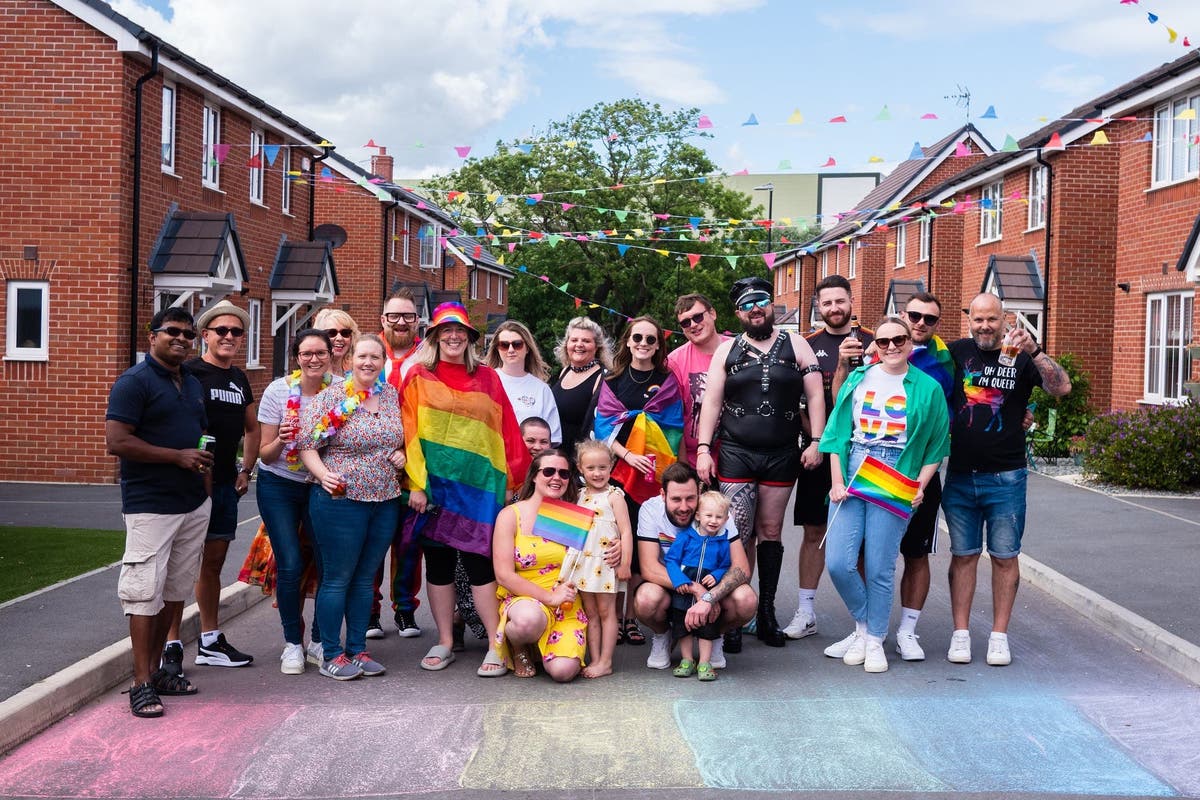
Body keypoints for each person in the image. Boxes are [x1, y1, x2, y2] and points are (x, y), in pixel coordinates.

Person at [696, 276, 825, 650]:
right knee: (739, 530)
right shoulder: (727, 350)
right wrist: (704, 448)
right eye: (748, 304)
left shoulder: (797, 344)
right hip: (736, 451)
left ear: (771, 307)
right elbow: (712, 403)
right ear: (738, 313)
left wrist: (816, 440)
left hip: (782, 453)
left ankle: (765, 611)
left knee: (770, 530)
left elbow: (815, 397)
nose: (756, 308)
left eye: (762, 301)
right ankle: (738, 613)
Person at [402, 302, 529, 676]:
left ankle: (495, 642)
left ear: (471, 338)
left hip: (479, 488)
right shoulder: (417, 377)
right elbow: (410, 433)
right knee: (438, 566)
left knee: (480, 564)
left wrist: (512, 481)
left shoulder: (488, 377)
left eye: (460, 331)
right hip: (435, 488)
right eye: (446, 330)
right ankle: (444, 640)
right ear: (435, 336)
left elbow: (506, 430)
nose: (454, 336)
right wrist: (417, 483)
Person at [944, 293, 1071, 667]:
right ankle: (961, 634)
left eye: (992, 319)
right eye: (978, 319)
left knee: (1004, 557)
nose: (985, 326)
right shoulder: (955, 353)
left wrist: (1035, 350)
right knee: (963, 555)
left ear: (1005, 320)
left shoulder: (1023, 356)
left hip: (1007, 476)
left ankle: (999, 636)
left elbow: (1060, 387)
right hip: (961, 474)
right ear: (969, 320)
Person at [819, 316, 949, 673]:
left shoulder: (927, 387)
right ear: (874, 344)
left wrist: (918, 488)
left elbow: (935, 447)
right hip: (855, 466)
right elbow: (836, 434)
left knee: (879, 565)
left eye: (899, 340)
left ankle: (874, 639)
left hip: (897, 472)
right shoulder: (859, 379)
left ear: (910, 343)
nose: (891, 346)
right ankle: (863, 625)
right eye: (884, 341)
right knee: (839, 562)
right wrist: (835, 481)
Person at [106, 307, 213, 717]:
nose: (183, 339)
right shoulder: (134, 382)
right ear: (152, 335)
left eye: (189, 334)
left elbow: (203, 436)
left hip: (192, 503)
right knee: (143, 592)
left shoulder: (190, 382)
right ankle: (140, 683)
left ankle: (157, 671)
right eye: (173, 332)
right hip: (151, 505)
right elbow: (116, 442)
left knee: (174, 591)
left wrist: (206, 490)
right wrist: (176, 457)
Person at [298, 334, 405, 681]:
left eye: (376, 357)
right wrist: (323, 474)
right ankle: (331, 652)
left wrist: (402, 454)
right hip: (340, 500)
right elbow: (307, 444)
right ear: (350, 360)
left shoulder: (390, 396)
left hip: (385, 499)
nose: (368, 363)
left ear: (383, 363)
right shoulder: (332, 396)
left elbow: (401, 437)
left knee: (364, 580)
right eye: (362, 356)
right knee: (337, 578)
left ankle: (357, 649)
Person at [163, 300, 259, 674]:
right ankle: (170, 644)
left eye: (236, 332)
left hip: (223, 484)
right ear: (205, 335)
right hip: (188, 485)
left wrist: (246, 469)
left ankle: (209, 640)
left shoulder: (238, 378)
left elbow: (252, 429)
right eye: (222, 330)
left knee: (213, 565)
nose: (230, 337)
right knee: (179, 567)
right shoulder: (187, 373)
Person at [783, 275, 875, 642]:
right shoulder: (806, 345)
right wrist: (813, 439)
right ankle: (806, 612)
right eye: (827, 303)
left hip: (867, 453)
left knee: (865, 539)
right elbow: (797, 399)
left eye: (840, 301)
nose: (834, 308)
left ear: (851, 301)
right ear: (817, 307)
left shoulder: (874, 340)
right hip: (820, 450)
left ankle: (867, 621)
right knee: (814, 531)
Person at [593, 315, 683, 647]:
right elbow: (603, 426)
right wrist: (628, 456)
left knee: (645, 544)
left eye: (650, 340)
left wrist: (658, 464)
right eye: (637, 338)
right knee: (618, 545)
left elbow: (674, 428)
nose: (643, 344)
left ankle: (632, 618)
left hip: (654, 475)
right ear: (628, 342)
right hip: (619, 473)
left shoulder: (668, 381)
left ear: (659, 345)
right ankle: (614, 617)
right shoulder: (612, 380)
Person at [253, 329, 338, 674]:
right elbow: (265, 453)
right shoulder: (278, 391)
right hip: (279, 484)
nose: (314, 359)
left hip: (318, 485)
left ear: (330, 355)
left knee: (326, 563)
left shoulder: (340, 391)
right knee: (289, 563)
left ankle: (319, 640)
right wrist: (283, 440)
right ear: (296, 358)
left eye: (320, 352)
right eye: (306, 354)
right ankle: (292, 644)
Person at [634, 463, 757, 671]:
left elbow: (741, 568)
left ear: (700, 492)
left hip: (712, 584)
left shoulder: (716, 512)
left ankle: (714, 634)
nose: (683, 507)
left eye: (690, 498)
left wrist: (711, 597)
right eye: (676, 499)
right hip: (672, 584)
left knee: (746, 600)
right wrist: (696, 589)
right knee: (646, 599)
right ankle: (664, 634)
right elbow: (649, 568)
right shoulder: (650, 509)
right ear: (663, 495)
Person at [492, 449, 588, 682]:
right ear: (534, 476)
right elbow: (504, 575)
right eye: (549, 471)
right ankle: (520, 646)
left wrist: (615, 547)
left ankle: (542, 648)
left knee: (563, 673)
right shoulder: (511, 515)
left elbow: (593, 556)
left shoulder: (573, 514)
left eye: (564, 474)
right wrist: (549, 597)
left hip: (565, 602)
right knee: (528, 620)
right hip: (526, 598)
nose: (557, 477)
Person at [373, 289, 424, 640]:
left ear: (417, 320)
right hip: (372, 467)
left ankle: (405, 610)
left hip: (414, 465)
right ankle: (368, 612)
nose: (401, 322)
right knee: (372, 544)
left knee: (409, 544)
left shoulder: (428, 356)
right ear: (383, 320)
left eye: (407, 316)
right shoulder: (368, 352)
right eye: (394, 316)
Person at [560, 438, 633, 679]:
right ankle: (594, 658)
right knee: (590, 614)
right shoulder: (578, 495)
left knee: (607, 612)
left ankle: (606, 661)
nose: (597, 473)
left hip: (605, 563)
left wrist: (625, 564)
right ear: (580, 468)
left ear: (611, 466)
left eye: (602, 467)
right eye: (591, 468)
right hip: (583, 564)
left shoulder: (614, 496)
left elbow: (625, 532)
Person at [664, 491, 733, 682]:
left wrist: (716, 575)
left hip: (707, 589)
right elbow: (671, 560)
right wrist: (679, 580)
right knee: (683, 625)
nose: (713, 520)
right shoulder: (686, 536)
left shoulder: (723, 542)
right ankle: (687, 659)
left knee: (707, 626)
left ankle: (704, 661)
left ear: (726, 519)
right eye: (709, 515)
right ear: (698, 515)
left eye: (719, 517)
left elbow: (726, 565)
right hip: (685, 587)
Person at [667, 294, 730, 468]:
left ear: (713, 313)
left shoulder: (738, 349)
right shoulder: (674, 362)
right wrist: (684, 467)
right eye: (686, 322)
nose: (693, 325)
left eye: (697, 317)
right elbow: (673, 419)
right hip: (695, 461)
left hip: (739, 456)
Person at [486, 320, 563, 445]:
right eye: (504, 345)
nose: (511, 350)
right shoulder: (485, 381)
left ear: (527, 348)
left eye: (517, 344)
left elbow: (552, 439)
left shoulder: (541, 389)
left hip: (530, 461)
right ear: (497, 349)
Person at [550, 317, 612, 447]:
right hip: (555, 453)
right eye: (574, 340)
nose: (579, 344)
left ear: (596, 347)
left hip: (580, 456)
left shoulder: (603, 378)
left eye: (586, 341)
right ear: (567, 344)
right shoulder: (565, 371)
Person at [313, 307, 359, 374]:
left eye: (345, 333)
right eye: (331, 333)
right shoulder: (310, 377)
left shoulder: (356, 376)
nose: (339, 338)